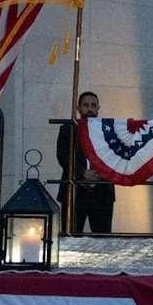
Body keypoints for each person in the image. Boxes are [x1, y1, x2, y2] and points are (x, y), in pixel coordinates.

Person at [56, 91, 115, 233]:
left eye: (93, 105)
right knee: (70, 239)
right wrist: (82, 173)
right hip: (74, 191)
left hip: (102, 192)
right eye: (85, 105)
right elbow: (63, 156)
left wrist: (99, 173)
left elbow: (114, 157)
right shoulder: (67, 129)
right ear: (78, 108)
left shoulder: (110, 131)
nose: (89, 109)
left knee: (103, 241)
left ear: (98, 108)